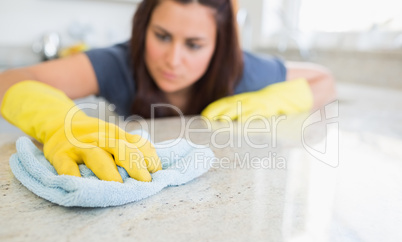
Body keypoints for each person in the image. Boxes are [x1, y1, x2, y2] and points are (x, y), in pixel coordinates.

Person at [0, 0, 335, 183]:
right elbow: (9, 79)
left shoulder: (241, 71)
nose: (173, 60)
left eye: (194, 44)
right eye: (161, 36)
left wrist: (270, 100)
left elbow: (323, 80)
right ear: (143, 29)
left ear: (218, 47)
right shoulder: (119, 63)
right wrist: (59, 123)